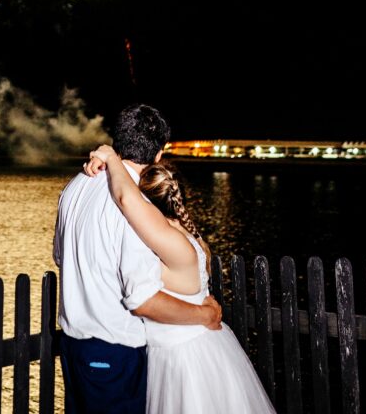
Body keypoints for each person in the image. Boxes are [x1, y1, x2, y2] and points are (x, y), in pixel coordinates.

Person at [52, 103, 222, 414]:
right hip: (113, 350)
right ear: (159, 155)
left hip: (72, 346)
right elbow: (142, 299)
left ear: (116, 142)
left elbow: (60, 256)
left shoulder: (73, 188)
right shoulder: (136, 208)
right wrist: (205, 315)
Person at [85, 142, 278, 414]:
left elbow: (128, 199)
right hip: (197, 346)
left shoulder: (169, 240)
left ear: (148, 203)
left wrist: (111, 158)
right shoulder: (185, 233)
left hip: (184, 357)